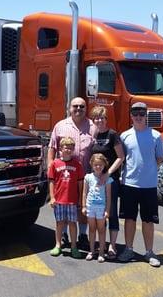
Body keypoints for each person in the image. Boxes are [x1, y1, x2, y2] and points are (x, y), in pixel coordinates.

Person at [117, 102, 163, 267]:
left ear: (146, 116)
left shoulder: (156, 136)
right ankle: (129, 249)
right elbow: (121, 158)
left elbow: (159, 158)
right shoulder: (124, 136)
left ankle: (149, 252)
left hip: (149, 186)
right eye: (135, 114)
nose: (138, 117)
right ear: (131, 116)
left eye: (141, 114)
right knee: (129, 219)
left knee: (148, 221)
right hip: (129, 185)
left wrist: (149, 172)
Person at [48, 97, 95, 249]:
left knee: (82, 206)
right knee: (63, 206)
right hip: (63, 176)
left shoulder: (93, 127)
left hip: (85, 176)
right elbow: (52, 147)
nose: (78, 109)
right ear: (69, 108)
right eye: (75, 106)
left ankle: (82, 235)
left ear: (86, 108)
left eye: (82, 106)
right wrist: (50, 166)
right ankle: (63, 236)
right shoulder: (60, 126)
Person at [90, 106, 124, 259]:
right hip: (96, 180)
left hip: (110, 180)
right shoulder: (94, 134)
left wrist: (108, 173)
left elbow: (120, 157)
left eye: (102, 118)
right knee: (97, 210)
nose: (99, 120)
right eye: (96, 118)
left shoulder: (112, 134)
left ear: (106, 119)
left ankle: (113, 245)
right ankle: (100, 243)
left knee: (111, 212)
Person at [48, 137, 84, 259]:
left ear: (73, 149)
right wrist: (52, 198)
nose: (68, 150)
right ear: (60, 149)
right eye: (65, 147)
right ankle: (58, 245)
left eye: (70, 148)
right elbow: (51, 182)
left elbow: (80, 183)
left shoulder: (77, 164)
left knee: (73, 223)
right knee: (60, 223)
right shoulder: (55, 164)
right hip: (59, 200)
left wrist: (80, 200)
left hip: (72, 200)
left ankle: (74, 246)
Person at [81, 153, 111, 262]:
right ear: (92, 165)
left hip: (101, 208)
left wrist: (107, 210)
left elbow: (108, 196)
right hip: (90, 207)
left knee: (101, 230)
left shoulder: (107, 179)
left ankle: (101, 252)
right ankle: (92, 251)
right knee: (92, 229)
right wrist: (84, 206)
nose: (98, 167)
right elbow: (84, 193)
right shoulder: (88, 177)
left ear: (104, 166)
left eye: (100, 165)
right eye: (96, 165)